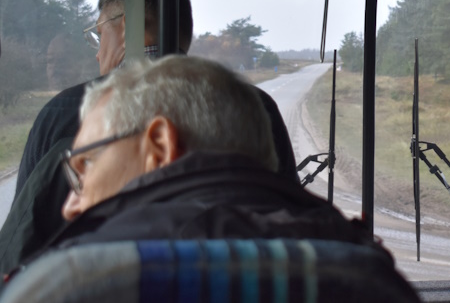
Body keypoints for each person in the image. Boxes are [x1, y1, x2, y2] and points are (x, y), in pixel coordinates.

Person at [5, 57, 417, 302]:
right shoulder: (371, 283)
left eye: (86, 167)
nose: (70, 205)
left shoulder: (71, 285)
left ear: (160, 146)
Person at [0, 0, 297, 274]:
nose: (98, 52)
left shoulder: (64, 112)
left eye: (99, 35)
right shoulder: (258, 108)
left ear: (129, 27)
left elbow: (20, 244)